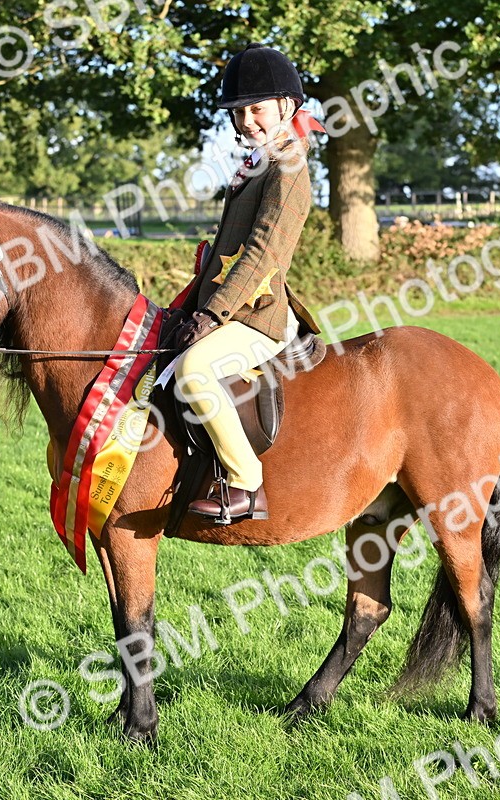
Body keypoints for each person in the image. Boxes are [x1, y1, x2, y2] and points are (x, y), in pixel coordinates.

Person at [169, 42, 324, 523]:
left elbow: (264, 253)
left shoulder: (289, 164)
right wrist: (190, 310)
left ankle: (245, 484)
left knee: (195, 369)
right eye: (237, 112)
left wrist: (212, 316)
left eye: (255, 108)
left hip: (257, 318)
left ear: (287, 106)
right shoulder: (259, 163)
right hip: (225, 305)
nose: (246, 121)